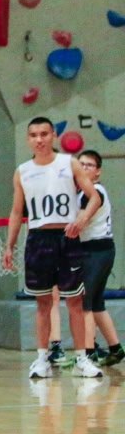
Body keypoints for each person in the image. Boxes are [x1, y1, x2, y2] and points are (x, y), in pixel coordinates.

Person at [3, 117, 103, 379]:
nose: (39, 139)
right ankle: (41, 359)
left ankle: (82, 358)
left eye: (44, 133)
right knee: (43, 303)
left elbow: (94, 197)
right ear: (28, 139)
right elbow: (16, 212)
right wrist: (9, 246)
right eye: (34, 134)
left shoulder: (68, 163)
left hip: (67, 238)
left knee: (75, 302)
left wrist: (82, 219)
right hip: (38, 239)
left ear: (54, 135)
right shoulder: (22, 171)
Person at [77, 150, 122, 366]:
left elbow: (78, 223)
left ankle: (88, 353)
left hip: (98, 251)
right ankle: (115, 349)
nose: (84, 168)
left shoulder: (94, 192)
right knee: (96, 303)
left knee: (84, 301)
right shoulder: (80, 192)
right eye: (81, 164)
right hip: (93, 251)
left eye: (89, 165)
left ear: (98, 172)